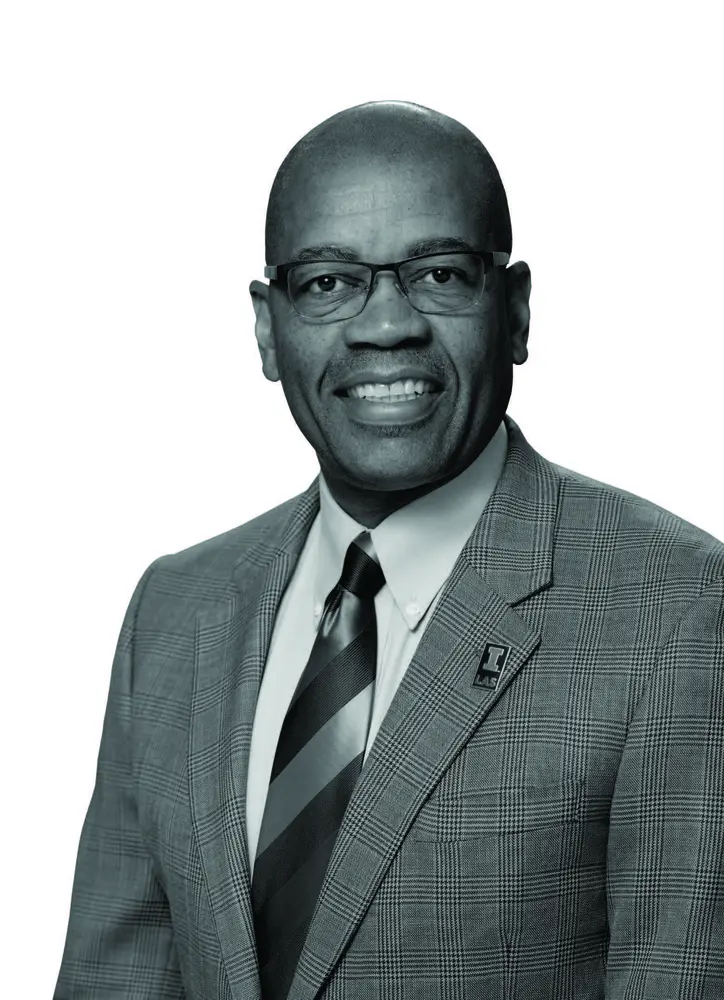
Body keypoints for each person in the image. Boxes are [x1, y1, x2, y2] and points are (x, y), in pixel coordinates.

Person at [54, 101, 724, 1000]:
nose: (384, 326)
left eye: (440, 274)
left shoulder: (677, 614)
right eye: (328, 283)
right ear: (266, 326)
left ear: (517, 311)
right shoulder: (175, 612)